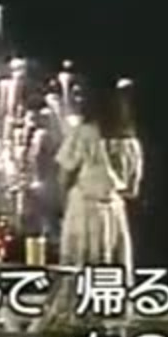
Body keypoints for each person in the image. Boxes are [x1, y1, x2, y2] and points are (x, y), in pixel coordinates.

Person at [55, 79, 144, 270]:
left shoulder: (83, 134)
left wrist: (63, 201)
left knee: (79, 264)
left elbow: (64, 175)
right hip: (113, 211)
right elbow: (132, 190)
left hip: (82, 207)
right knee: (110, 264)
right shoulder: (131, 143)